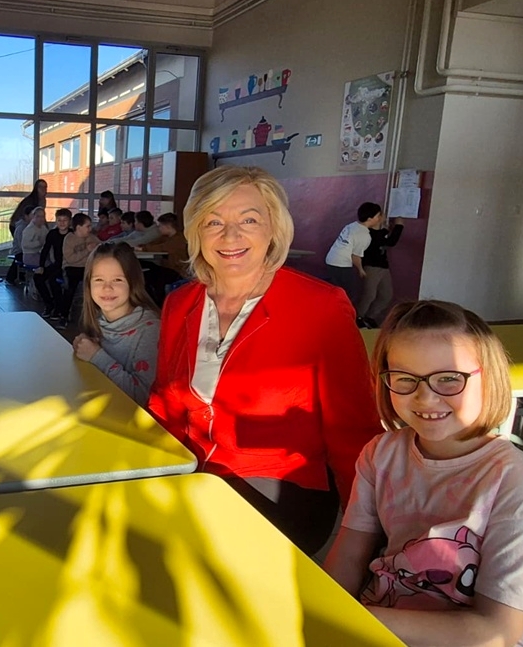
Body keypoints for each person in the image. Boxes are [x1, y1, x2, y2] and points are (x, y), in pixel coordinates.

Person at [148, 166, 381, 555]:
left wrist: (364, 536)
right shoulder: (179, 303)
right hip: (192, 473)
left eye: (249, 220)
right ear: (195, 231)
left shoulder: (320, 306)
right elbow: (164, 401)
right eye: (214, 221)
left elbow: (352, 427)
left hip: (282, 487)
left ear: (274, 227)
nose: (231, 236)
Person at [324, 300, 523, 647]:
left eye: (449, 379)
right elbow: (349, 555)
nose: (425, 398)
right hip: (381, 625)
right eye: (405, 379)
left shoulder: (519, 485)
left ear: (489, 377)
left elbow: (496, 633)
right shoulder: (380, 453)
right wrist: (323, 612)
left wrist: (352, 616)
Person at [73, 243, 161, 405]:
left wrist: (96, 356)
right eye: (99, 280)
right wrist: (84, 346)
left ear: (133, 283)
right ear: (88, 284)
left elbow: (143, 397)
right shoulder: (98, 321)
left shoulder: (150, 330)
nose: (107, 288)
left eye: (117, 280)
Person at [324, 202, 383, 307]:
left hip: (331, 259)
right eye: (378, 216)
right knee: (347, 294)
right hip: (341, 264)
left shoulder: (352, 225)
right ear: (370, 219)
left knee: (334, 287)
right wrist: (361, 269)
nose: (380, 219)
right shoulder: (364, 236)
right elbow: (355, 256)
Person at [356, 216, 405, 328]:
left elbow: (385, 236)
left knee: (386, 295)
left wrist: (390, 228)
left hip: (383, 267)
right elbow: (391, 242)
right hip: (371, 266)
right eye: (379, 215)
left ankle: (370, 317)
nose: (382, 217)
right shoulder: (368, 233)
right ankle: (357, 317)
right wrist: (399, 226)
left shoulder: (381, 232)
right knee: (369, 295)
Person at [57, 213, 101, 328]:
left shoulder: (91, 237)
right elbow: (70, 259)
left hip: (87, 267)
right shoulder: (69, 239)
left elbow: (101, 247)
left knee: (98, 284)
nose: (90, 229)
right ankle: (63, 316)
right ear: (78, 227)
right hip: (71, 267)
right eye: (88, 226)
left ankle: (97, 315)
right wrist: (87, 250)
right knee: (70, 288)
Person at [137, 212, 189, 306]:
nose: (158, 228)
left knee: (152, 275)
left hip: (177, 270)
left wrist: (144, 248)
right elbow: (154, 243)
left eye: (160, 226)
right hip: (168, 267)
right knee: (145, 265)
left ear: (168, 227)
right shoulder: (166, 237)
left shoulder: (179, 239)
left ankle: (157, 303)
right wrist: (143, 246)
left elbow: (162, 247)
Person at [34, 208, 72, 320]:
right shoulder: (52, 234)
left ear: (69, 221)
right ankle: (49, 304)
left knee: (53, 280)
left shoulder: (72, 234)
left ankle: (59, 308)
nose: (62, 223)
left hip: (68, 265)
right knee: (38, 277)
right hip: (56, 265)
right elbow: (45, 250)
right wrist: (41, 266)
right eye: (59, 220)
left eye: (65, 220)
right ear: (56, 221)